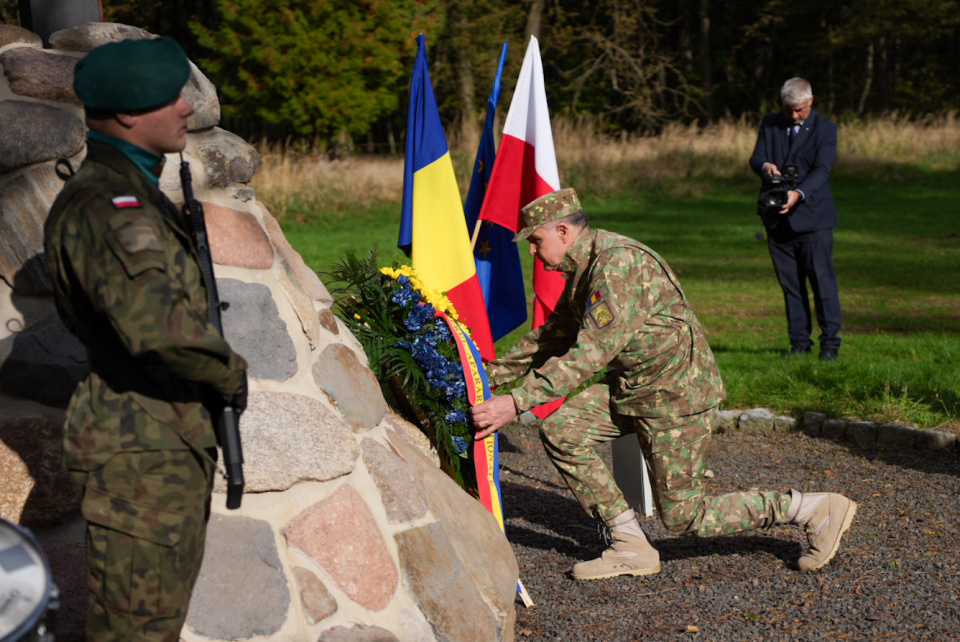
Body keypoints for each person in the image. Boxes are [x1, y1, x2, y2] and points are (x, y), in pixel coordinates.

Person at [470, 188, 856, 580]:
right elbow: (553, 337)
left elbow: (590, 354)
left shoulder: (616, 266)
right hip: (634, 387)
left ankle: (810, 509)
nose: (532, 251)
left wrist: (515, 403)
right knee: (562, 430)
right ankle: (629, 545)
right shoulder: (585, 269)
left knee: (687, 516)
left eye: (536, 240)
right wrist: (484, 374)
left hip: (675, 394)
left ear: (564, 232)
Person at [44, 38, 248, 640]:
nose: (187, 109)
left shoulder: (132, 193)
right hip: (139, 457)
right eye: (170, 98)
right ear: (130, 115)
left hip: (158, 446)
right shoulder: (112, 206)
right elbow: (161, 331)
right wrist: (230, 371)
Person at [750, 77, 842, 361]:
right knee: (791, 286)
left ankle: (830, 345)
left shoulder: (825, 129)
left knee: (822, 284)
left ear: (810, 101)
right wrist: (766, 167)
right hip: (777, 220)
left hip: (813, 220)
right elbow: (756, 157)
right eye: (788, 109)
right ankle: (799, 344)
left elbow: (822, 170)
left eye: (799, 109)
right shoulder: (771, 122)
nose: (793, 115)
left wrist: (797, 194)